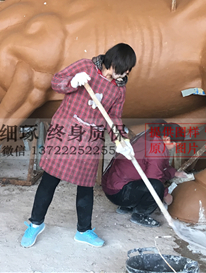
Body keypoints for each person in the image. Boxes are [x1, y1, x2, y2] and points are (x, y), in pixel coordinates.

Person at [21, 43, 137, 248]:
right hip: (66, 133)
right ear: (114, 62)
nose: (127, 73)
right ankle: (35, 223)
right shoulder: (85, 67)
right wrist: (73, 81)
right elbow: (56, 82)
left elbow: (114, 118)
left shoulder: (119, 89)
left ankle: (84, 230)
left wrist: (121, 140)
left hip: (91, 139)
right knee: (49, 180)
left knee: (85, 186)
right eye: (125, 68)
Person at [101, 121, 187, 227]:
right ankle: (140, 215)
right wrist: (165, 195)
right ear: (167, 139)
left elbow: (157, 166)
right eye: (175, 145)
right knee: (157, 187)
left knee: (141, 178)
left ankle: (127, 206)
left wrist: (175, 173)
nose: (174, 147)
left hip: (111, 185)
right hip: (120, 193)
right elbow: (154, 178)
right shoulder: (157, 148)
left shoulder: (151, 134)